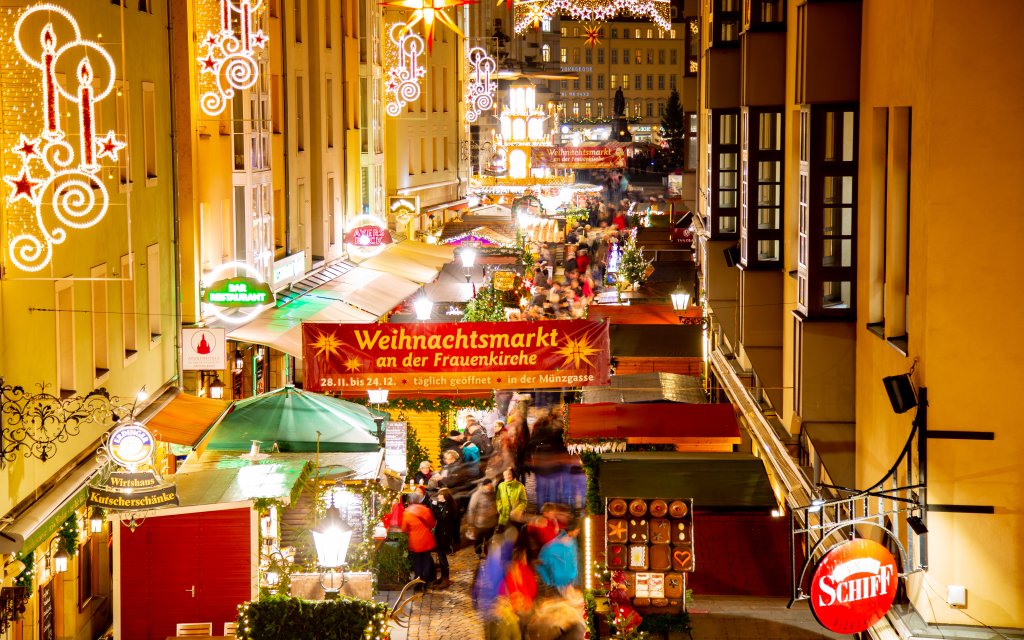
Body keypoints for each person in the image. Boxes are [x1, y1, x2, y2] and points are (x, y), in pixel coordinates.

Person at [401, 492, 436, 591]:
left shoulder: (407, 512)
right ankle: (426, 582)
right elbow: (432, 524)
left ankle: (418, 583)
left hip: (415, 541)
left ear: (409, 501)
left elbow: (404, 528)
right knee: (426, 560)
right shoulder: (426, 509)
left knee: (417, 562)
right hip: (427, 539)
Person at [536, 521, 580, 592]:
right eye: (577, 530)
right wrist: (548, 582)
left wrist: (572, 580)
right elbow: (540, 564)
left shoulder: (573, 544)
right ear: (571, 530)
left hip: (569, 586)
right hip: (555, 588)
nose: (578, 532)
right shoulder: (552, 547)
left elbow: (574, 563)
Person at [430, 488, 460, 589]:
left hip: (445, 536)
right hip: (441, 534)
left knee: (442, 557)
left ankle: (446, 579)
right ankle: (443, 577)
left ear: (445, 497)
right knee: (440, 555)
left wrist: (434, 507)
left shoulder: (449, 507)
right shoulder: (444, 505)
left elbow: (442, 518)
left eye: (440, 495)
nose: (438, 496)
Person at [466, 478, 499, 558]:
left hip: (491, 523)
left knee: (489, 540)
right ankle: (478, 552)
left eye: (490, 485)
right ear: (484, 486)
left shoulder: (494, 493)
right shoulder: (477, 494)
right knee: (478, 539)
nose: (489, 487)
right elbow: (471, 509)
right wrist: (471, 523)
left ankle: (487, 553)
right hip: (479, 523)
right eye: (487, 485)